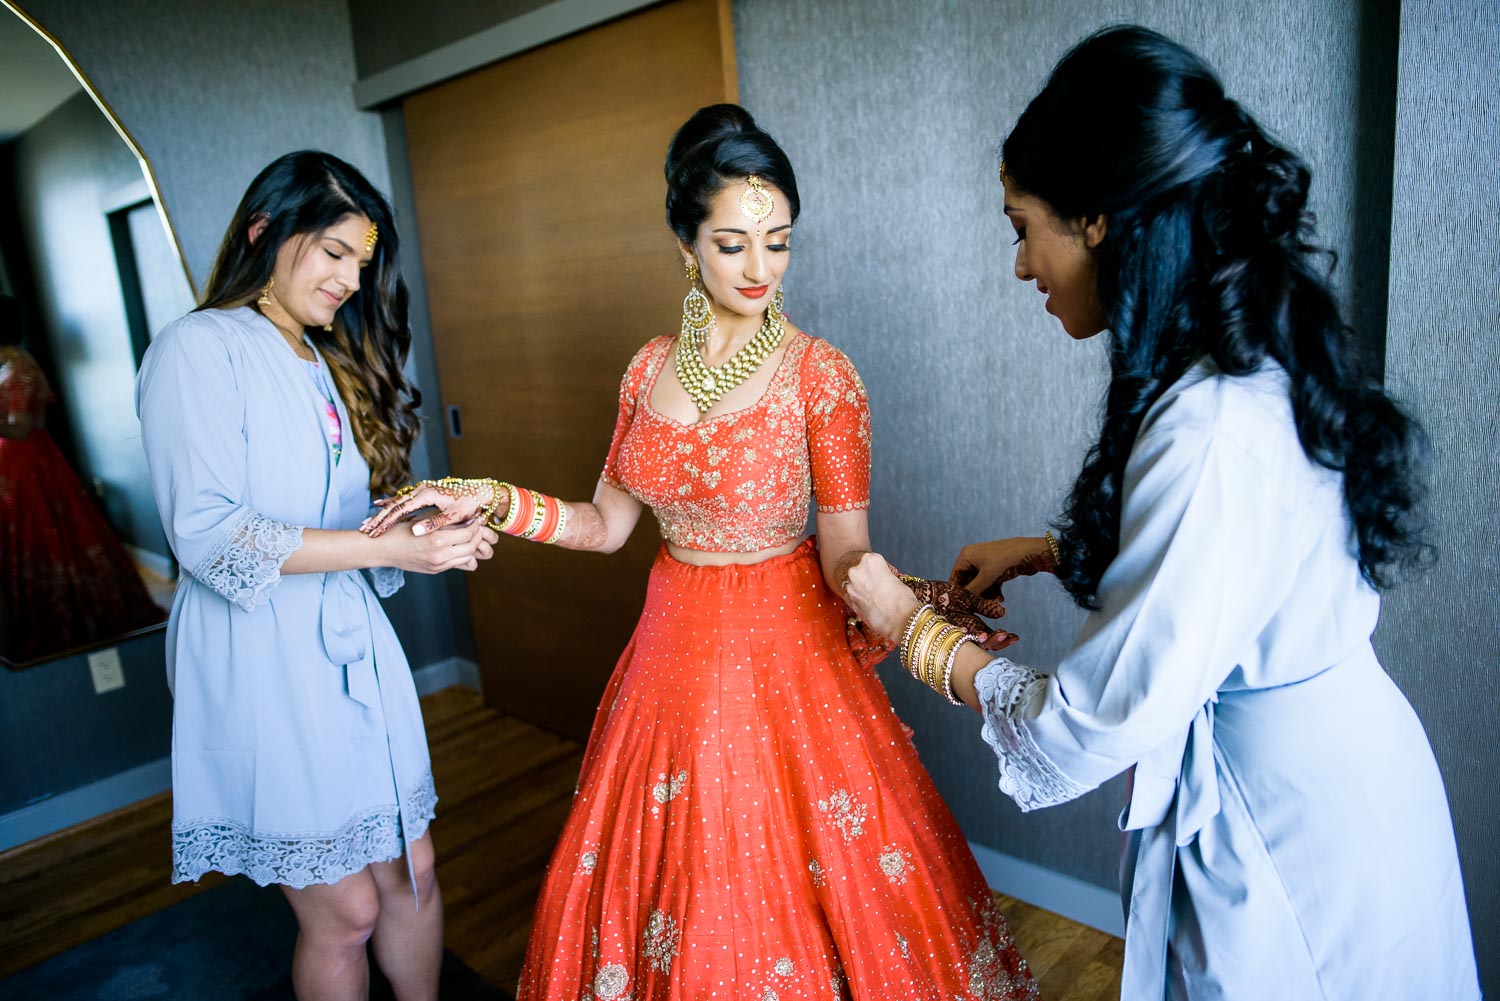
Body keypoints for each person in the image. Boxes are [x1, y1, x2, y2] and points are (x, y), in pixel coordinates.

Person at [843, 26, 1480, 1001]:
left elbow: (1081, 725)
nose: (1022, 266)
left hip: (1298, 835)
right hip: (1342, 774)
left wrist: (910, 626)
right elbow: (1235, 563)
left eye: (1023, 227)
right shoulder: (1237, 361)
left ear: (1097, 217)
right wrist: (1051, 550)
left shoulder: (1210, 428)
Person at [364, 105, 1037, 1000]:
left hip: (786, 658)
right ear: (686, 245)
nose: (761, 269)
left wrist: (916, 612)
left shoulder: (821, 375)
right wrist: (483, 493)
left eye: (780, 242)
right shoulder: (647, 370)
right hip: (669, 651)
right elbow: (603, 526)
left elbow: (846, 559)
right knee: (672, 880)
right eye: (733, 245)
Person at [136, 151, 499, 1001]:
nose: (348, 280)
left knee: (413, 866)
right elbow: (211, 535)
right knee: (344, 910)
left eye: (360, 264)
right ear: (266, 231)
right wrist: (386, 551)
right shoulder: (200, 348)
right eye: (334, 252)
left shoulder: (319, 358)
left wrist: (416, 523)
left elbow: (332, 512)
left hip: (342, 646)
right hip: (259, 655)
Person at [0, 291, 165, 663]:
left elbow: (22, 427)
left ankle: (67, 618)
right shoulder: (7, 365)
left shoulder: (20, 368)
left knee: (43, 534)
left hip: (27, 462)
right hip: (13, 462)